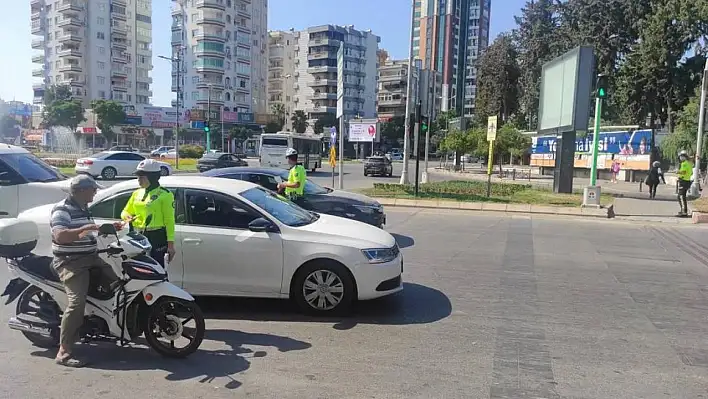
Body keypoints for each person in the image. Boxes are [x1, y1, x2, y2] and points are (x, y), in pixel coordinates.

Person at [50, 175, 122, 367]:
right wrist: (86, 228)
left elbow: (86, 232)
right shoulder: (62, 210)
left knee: (118, 284)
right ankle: (64, 351)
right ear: (81, 191)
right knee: (76, 303)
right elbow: (60, 236)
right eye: (93, 189)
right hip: (71, 262)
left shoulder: (84, 207)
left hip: (91, 258)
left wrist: (105, 228)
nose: (96, 192)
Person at [121, 159, 176, 266]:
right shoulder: (136, 193)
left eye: (142, 177)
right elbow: (125, 211)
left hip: (156, 236)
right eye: (138, 177)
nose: (138, 180)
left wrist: (170, 245)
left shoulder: (165, 195)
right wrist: (127, 217)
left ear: (152, 177)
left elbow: (169, 221)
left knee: (157, 268)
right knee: (138, 268)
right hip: (137, 235)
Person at [676, 150, 693, 217]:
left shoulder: (685, 163)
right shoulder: (689, 163)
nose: (680, 158)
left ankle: (684, 211)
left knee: (680, 196)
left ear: (684, 157)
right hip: (686, 181)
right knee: (682, 196)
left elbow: (684, 172)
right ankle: (683, 210)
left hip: (683, 181)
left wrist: (678, 172)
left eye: (681, 156)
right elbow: (690, 172)